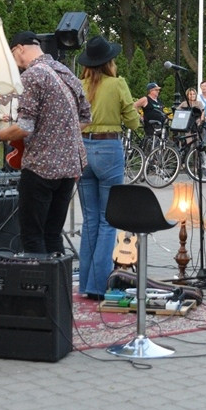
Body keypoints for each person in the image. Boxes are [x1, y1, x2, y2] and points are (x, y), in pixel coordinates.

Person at [0, 32, 90, 254]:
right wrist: (59, 137)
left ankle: (38, 284)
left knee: (33, 236)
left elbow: (24, 127)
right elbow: (86, 119)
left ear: (19, 48)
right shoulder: (65, 72)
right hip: (68, 168)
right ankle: (59, 286)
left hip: (40, 167)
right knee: (53, 235)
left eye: (12, 55)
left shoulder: (32, 76)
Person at [75, 36, 139, 299]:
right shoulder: (117, 84)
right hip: (108, 149)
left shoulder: (78, 84)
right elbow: (133, 122)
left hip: (82, 149)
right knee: (107, 219)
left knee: (89, 219)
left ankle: (84, 283)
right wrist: (136, 110)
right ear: (109, 62)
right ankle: (98, 285)